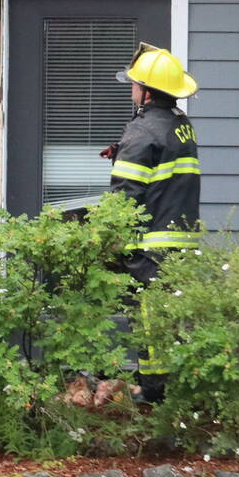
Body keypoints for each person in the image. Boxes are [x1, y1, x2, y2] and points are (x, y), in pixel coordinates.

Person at [104, 43, 202, 401]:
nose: (131, 90)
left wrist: (107, 237)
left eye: (134, 84)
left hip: (152, 244)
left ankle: (154, 393)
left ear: (146, 93)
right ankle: (169, 390)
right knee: (170, 318)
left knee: (149, 318)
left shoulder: (143, 131)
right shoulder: (181, 126)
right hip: (181, 239)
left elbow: (125, 195)